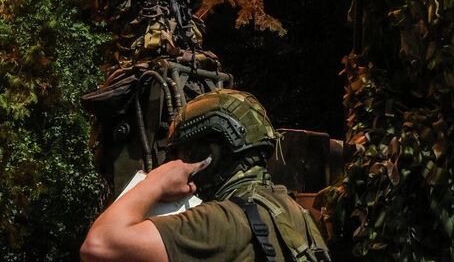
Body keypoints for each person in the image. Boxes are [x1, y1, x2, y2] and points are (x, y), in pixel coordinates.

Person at [80, 89, 332, 262]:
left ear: (209, 153)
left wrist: (155, 182)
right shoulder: (292, 210)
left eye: (183, 152)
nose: (178, 162)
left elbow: (99, 245)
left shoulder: (224, 221)